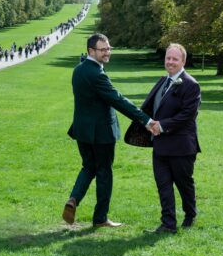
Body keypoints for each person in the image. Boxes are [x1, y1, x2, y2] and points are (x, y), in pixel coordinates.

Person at [62, 33, 154, 228]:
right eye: (103, 50)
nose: (107, 52)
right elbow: (118, 100)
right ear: (91, 51)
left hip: (82, 131)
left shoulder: (78, 70)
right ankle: (101, 218)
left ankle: (73, 199)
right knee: (104, 173)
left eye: (109, 48)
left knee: (88, 167)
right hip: (101, 133)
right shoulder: (97, 74)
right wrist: (145, 119)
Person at [125, 43, 201, 233]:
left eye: (175, 59)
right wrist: (148, 124)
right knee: (163, 186)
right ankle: (168, 224)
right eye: (168, 58)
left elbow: (188, 115)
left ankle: (190, 214)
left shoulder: (191, 84)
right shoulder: (162, 81)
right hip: (159, 145)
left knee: (184, 184)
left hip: (181, 146)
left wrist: (163, 126)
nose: (170, 62)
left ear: (183, 61)